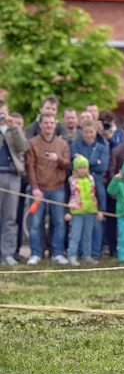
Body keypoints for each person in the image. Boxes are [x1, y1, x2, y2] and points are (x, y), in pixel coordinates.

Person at [25, 113, 71, 265]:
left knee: (59, 222)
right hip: (39, 189)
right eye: (46, 123)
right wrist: (35, 188)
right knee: (35, 223)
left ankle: (57, 253)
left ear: (55, 125)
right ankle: (36, 253)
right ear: (40, 125)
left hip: (57, 188)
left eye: (51, 123)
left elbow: (67, 164)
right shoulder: (32, 143)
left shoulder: (62, 144)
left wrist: (57, 158)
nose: (49, 126)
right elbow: (30, 167)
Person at [71, 120, 109, 262]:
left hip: (97, 185)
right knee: (80, 222)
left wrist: (84, 163)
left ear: (95, 132)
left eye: (91, 132)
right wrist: (94, 162)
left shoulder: (101, 147)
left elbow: (103, 167)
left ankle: (94, 251)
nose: (88, 135)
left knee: (97, 220)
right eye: (86, 132)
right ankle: (80, 251)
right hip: (79, 187)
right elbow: (74, 165)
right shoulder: (75, 146)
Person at [0, 102, 28, 266]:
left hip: (13, 176)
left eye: (4, 113)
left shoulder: (13, 130)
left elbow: (23, 146)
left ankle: (8, 253)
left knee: (10, 217)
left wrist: (13, 129)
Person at [64, 155, 104, 266]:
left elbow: (97, 194)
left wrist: (99, 210)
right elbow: (66, 196)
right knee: (75, 235)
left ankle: (86, 255)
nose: (82, 170)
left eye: (84, 168)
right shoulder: (71, 181)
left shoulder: (92, 179)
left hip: (90, 211)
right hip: (76, 212)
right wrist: (66, 211)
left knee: (87, 235)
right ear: (75, 169)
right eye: (80, 168)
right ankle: (72, 255)